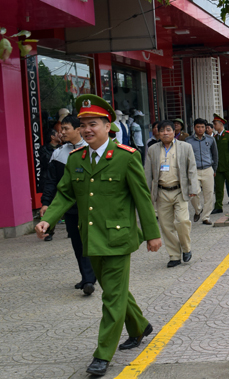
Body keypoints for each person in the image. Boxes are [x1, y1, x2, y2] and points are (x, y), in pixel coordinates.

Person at [35, 94, 162, 377]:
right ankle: (140, 326)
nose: (87, 129)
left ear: (107, 126)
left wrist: (153, 234)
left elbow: (142, 198)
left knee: (111, 298)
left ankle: (102, 354)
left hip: (118, 240)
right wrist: (48, 220)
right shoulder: (76, 158)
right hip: (91, 239)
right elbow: (66, 193)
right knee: (115, 292)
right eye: (83, 125)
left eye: (93, 124)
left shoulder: (126, 157)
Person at [40, 114, 97, 294]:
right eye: (60, 130)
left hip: (89, 205)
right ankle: (86, 276)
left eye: (65, 129)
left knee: (89, 240)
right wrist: (46, 203)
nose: (62, 133)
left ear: (78, 129)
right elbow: (51, 181)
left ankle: (90, 278)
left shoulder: (91, 149)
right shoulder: (58, 153)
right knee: (77, 242)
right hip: (69, 208)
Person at [145, 120, 199, 267]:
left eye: (168, 130)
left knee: (182, 221)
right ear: (157, 133)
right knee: (166, 226)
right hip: (162, 192)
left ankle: (186, 248)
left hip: (179, 191)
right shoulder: (152, 149)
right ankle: (174, 255)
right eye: (162, 130)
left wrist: (193, 189)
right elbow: (148, 173)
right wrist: (147, 194)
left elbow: (192, 169)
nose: (165, 133)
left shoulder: (185, 147)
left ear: (174, 131)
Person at [186, 118, 218, 225]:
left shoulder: (210, 139)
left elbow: (215, 155)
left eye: (203, 127)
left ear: (206, 128)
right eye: (198, 127)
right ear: (194, 127)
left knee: (209, 194)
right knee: (194, 193)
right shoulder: (188, 141)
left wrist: (214, 168)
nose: (200, 129)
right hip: (194, 170)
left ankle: (206, 217)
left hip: (208, 169)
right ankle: (198, 210)